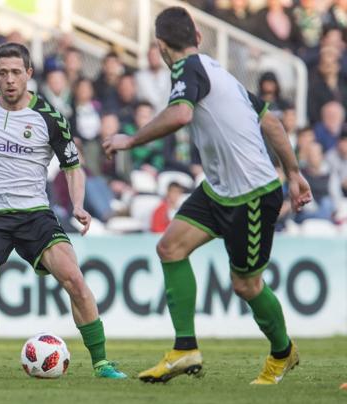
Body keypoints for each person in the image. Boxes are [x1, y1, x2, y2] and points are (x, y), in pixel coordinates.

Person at [103, 7, 312, 385]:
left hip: (251, 194)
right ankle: (185, 349)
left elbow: (181, 115)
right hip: (218, 190)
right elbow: (270, 121)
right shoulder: (218, 71)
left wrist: (130, 139)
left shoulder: (187, 70)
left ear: (161, 47)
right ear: (198, 36)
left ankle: (283, 353)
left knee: (246, 285)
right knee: (170, 248)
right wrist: (295, 173)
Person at [0, 42, 126, 379]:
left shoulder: (49, 117)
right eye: (3, 73)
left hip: (33, 213)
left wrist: (77, 205)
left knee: (74, 279)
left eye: (16, 72)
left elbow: (73, 167)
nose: (10, 79)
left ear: (29, 74)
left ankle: (102, 362)